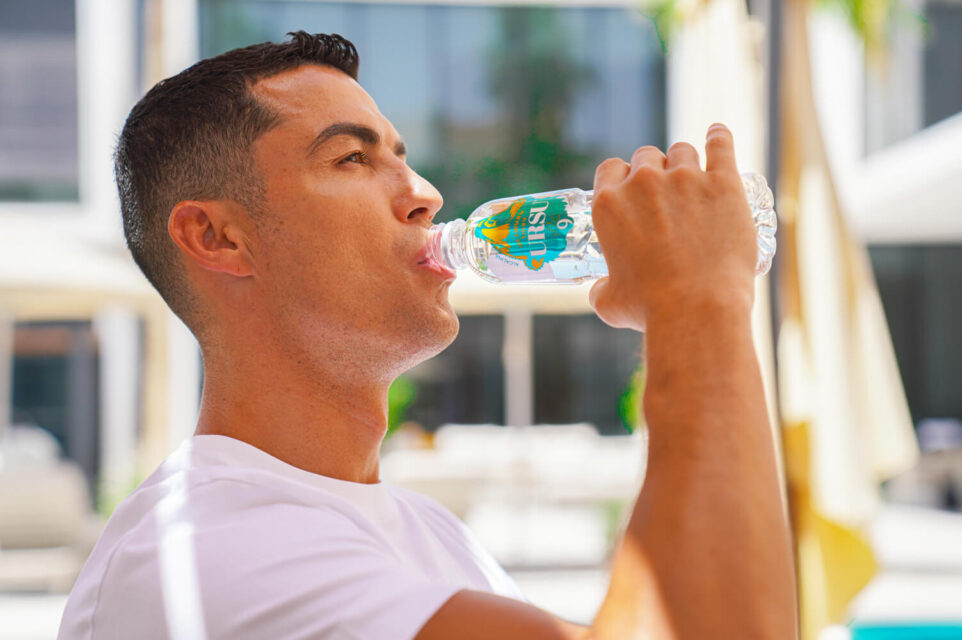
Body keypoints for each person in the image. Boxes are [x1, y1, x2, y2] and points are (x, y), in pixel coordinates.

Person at [58, 32, 797, 639]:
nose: (427, 196)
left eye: (402, 157)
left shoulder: (428, 532)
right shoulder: (204, 552)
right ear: (218, 237)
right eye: (352, 158)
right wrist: (696, 302)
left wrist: (697, 302)